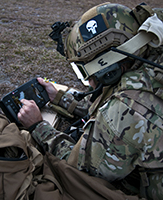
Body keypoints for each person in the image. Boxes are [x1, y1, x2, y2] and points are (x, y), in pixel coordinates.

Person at [18, 2, 163, 199]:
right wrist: (60, 98)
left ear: (108, 69)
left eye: (84, 71)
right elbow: (111, 107)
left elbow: (81, 168)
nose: (88, 81)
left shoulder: (127, 107)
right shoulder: (152, 62)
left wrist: (37, 126)